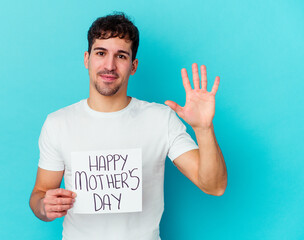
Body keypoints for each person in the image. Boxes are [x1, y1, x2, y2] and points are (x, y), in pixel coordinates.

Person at [29, 12, 227, 240]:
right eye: (101, 53)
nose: (109, 65)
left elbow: (214, 186)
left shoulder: (160, 119)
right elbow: (39, 194)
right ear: (87, 59)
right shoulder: (58, 123)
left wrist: (203, 128)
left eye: (121, 56)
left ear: (133, 66)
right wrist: (45, 207)